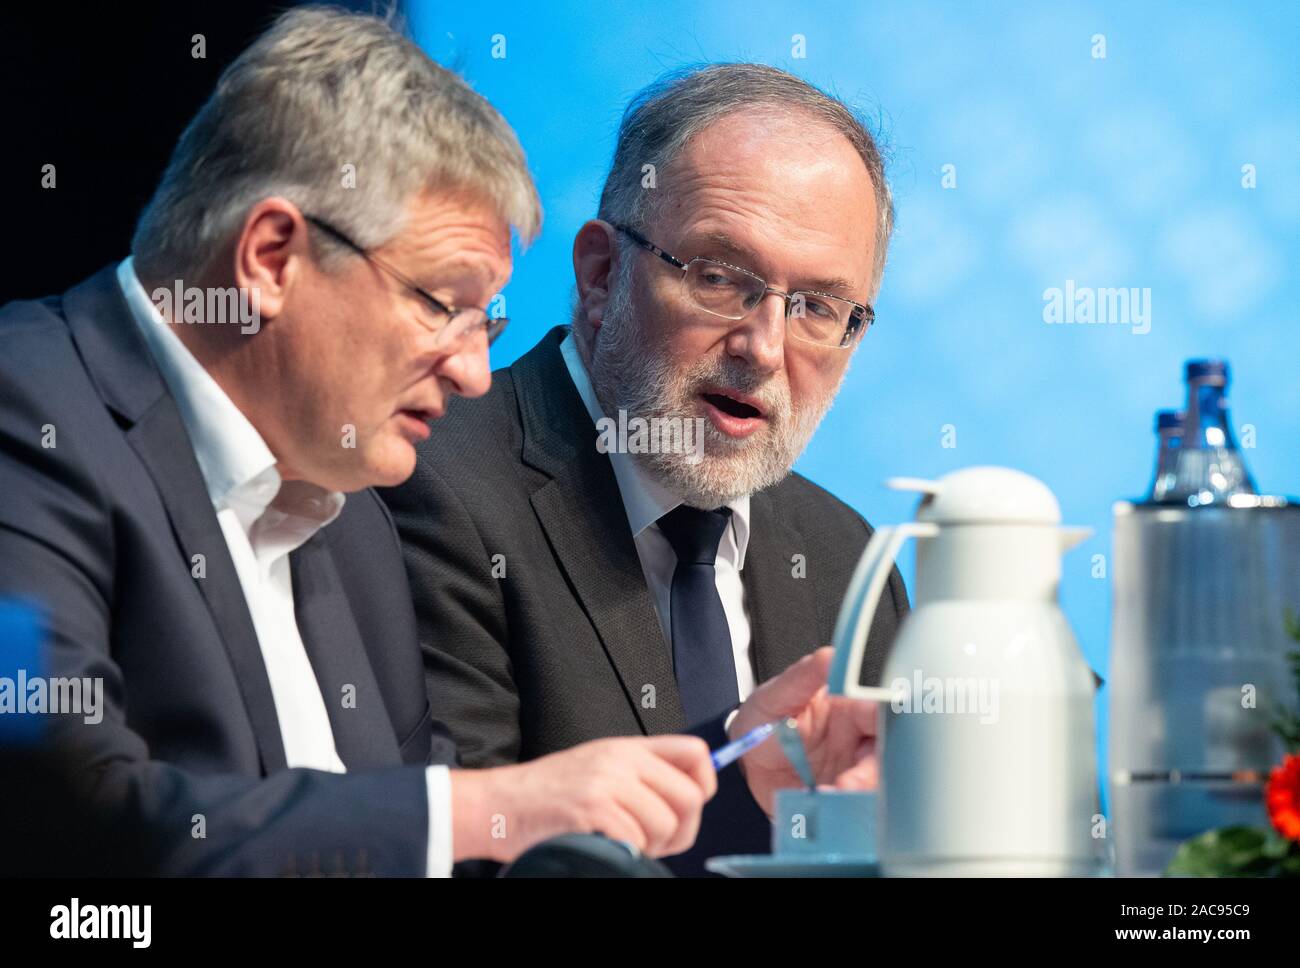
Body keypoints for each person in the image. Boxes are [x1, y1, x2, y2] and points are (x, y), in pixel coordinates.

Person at [0, 7, 736, 875]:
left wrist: (740, 766)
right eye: (442, 304)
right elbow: (63, 828)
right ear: (272, 257)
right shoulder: (27, 413)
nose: (471, 374)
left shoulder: (348, 510)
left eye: (487, 324)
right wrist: (490, 808)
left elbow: (432, 841)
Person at [381, 64, 908, 875]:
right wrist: (736, 792)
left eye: (817, 308)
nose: (762, 348)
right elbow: (469, 861)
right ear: (600, 275)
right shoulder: (431, 489)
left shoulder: (845, 557)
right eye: (721, 278)